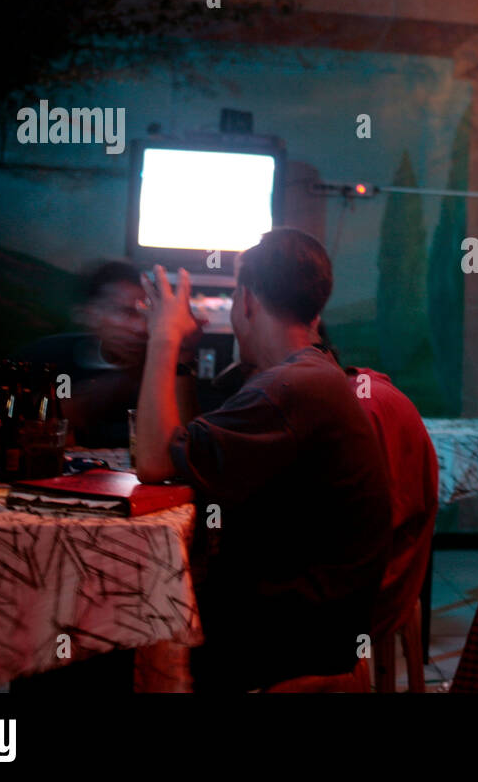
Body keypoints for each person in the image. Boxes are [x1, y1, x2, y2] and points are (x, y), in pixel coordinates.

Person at [134, 229, 392, 692]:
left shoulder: (288, 389)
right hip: (310, 624)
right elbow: (185, 446)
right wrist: (184, 358)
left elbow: (153, 462)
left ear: (247, 300)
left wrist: (163, 338)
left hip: (282, 638)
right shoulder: (307, 375)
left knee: (96, 643)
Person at [319, 323, 439, 650]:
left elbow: (359, 535)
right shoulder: (360, 390)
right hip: (387, 575)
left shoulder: (361, 405)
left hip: (373, 593)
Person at [17, 261, 203, 447]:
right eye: (127, 312)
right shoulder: (50, 357)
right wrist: (128, 378)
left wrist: (181, 356)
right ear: (89, 314)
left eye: (147, 314)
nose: (141, 327)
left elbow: (188, 445)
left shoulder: (172, 366)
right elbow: (35, 425)